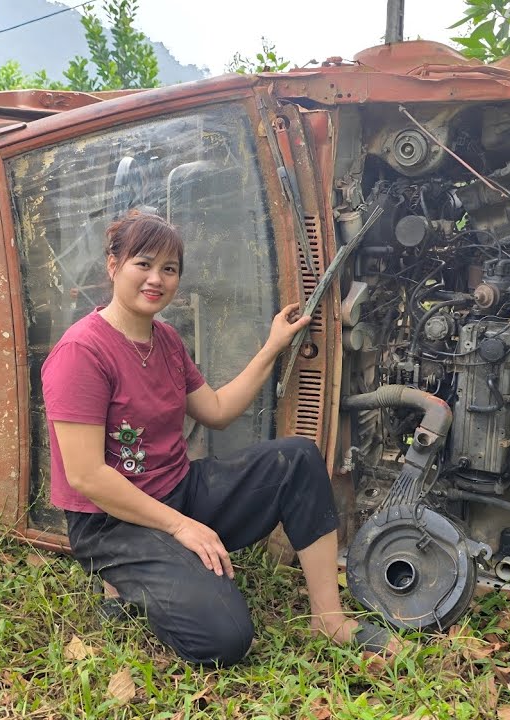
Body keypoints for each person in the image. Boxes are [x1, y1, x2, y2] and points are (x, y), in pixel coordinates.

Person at [41, 211, 399, 666]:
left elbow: (217, 411)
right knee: (225, 638)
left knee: (297, 458)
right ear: (113, 265)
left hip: (178, 490)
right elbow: (86, 475)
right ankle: (124, 580)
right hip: (113, 520)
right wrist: (180, 527)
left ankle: (328, 619)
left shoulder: (166, 340)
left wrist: (272, 346)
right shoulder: (81, 352)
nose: (156, 279)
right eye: (143, 264)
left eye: (169, 269)